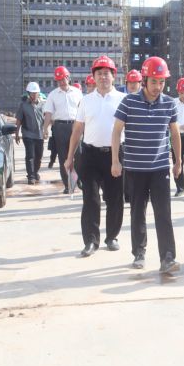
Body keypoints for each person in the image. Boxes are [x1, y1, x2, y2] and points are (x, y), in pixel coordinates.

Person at [112, 56, 182, 274]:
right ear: (144, 80)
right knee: (137, 213)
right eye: (154, 82)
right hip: (135, 169)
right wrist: (115, 160)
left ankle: (167, 257)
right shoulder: (129, 102)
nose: (158, 87)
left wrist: (178, 161)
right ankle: (139, 253)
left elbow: (175, 134)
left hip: (160, 168)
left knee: (164, 214)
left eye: (162, 82)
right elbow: (116, 131)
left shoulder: (169, 103)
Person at [65, 56, 126, 257]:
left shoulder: (123, 100)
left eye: (106, 73)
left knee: (115, 198)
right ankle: (91, 240)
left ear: (114, 76)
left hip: (115, 155)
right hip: (90, 155)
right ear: (93, 77)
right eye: (99, 74)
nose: (103, 77)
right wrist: (69, 156)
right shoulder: (86, 101)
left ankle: (112, 237)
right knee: (90, 198)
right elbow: (77, 130)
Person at [42, 66, 83, 194]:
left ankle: (78, 180)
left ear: (68, 77)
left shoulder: (77, 93)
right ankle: (68, 185)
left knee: (79, 155)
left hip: (75, 126)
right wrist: (45, 129)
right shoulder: (53, 95)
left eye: (63, 79)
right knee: (63, 157)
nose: (61, 82)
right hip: (60, 128)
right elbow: (48, 113)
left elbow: (83, 110)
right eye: (59, 80)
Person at [15, 82, 45, 184]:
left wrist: (46, 130)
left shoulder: (43, 104)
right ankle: (31, 176)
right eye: (32, 93)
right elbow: (19, 120)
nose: (34, 95)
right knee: (30, 156)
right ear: (28, 93)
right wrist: (17, 134)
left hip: (39, 135)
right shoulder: (23, 105)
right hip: (28, 134)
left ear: (38, 93)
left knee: (38, 156)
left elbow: (47, 118)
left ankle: (35, 172)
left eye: (36, 93)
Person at [122, 69, 143, 204]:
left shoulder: (146, 98)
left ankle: (141, 193)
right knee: (126, 168)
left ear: (140, 83)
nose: (133, 85)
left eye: (135, 82)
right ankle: (128, 194)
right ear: (126, 84)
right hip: (124, 139)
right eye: (130, 83)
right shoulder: (122, 99)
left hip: (140, 139)